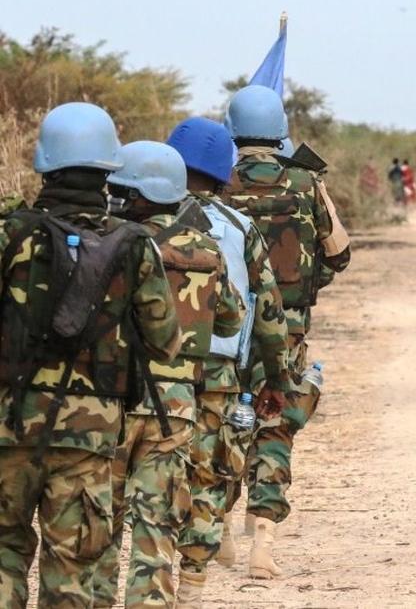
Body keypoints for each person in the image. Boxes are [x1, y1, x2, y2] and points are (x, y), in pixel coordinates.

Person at [0, 103, 181, 608]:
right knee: (73, 568)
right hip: (91, 437)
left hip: (8, 428)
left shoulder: (11, 234)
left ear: (44, 163)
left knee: (3, 553)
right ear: (109, 169)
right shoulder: (132, 245)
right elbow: (165, 341)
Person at [92, 141, 244, 608]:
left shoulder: (106, 240)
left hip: (111, 401)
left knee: (101, 522)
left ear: (133, 192)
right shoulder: (204, 248)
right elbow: (230, 321)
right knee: (156, 523)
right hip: (174, 406)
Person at [222, 85, 351, 579]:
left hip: (226, 329)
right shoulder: (305, 182)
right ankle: (263, 543)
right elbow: (339, 253)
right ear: (280, 130)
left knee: (224, 422)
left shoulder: (216, 181)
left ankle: (220, 533)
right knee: (275, 425)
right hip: (289, 330)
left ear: (233, 130)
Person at [166, 116, 289, 604]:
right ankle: (191, 587)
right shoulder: (240, 228)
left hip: (156, 371)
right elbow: (269, 311)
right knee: (208, 475)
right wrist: (276, 377)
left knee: (154, 472)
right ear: (223, 173)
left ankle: (147, 575)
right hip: (219, 372)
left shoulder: (144, 219)